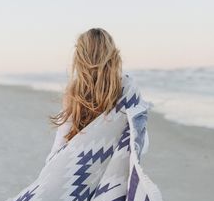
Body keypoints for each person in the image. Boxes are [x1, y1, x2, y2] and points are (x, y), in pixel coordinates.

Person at [45, 27, 149, 164]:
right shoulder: (128, 88)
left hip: (81, 171)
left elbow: (60, 144)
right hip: (115, 173)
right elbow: (141, 142)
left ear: (80, 58)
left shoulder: (74, 92)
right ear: (113, 54)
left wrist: (49, 169)